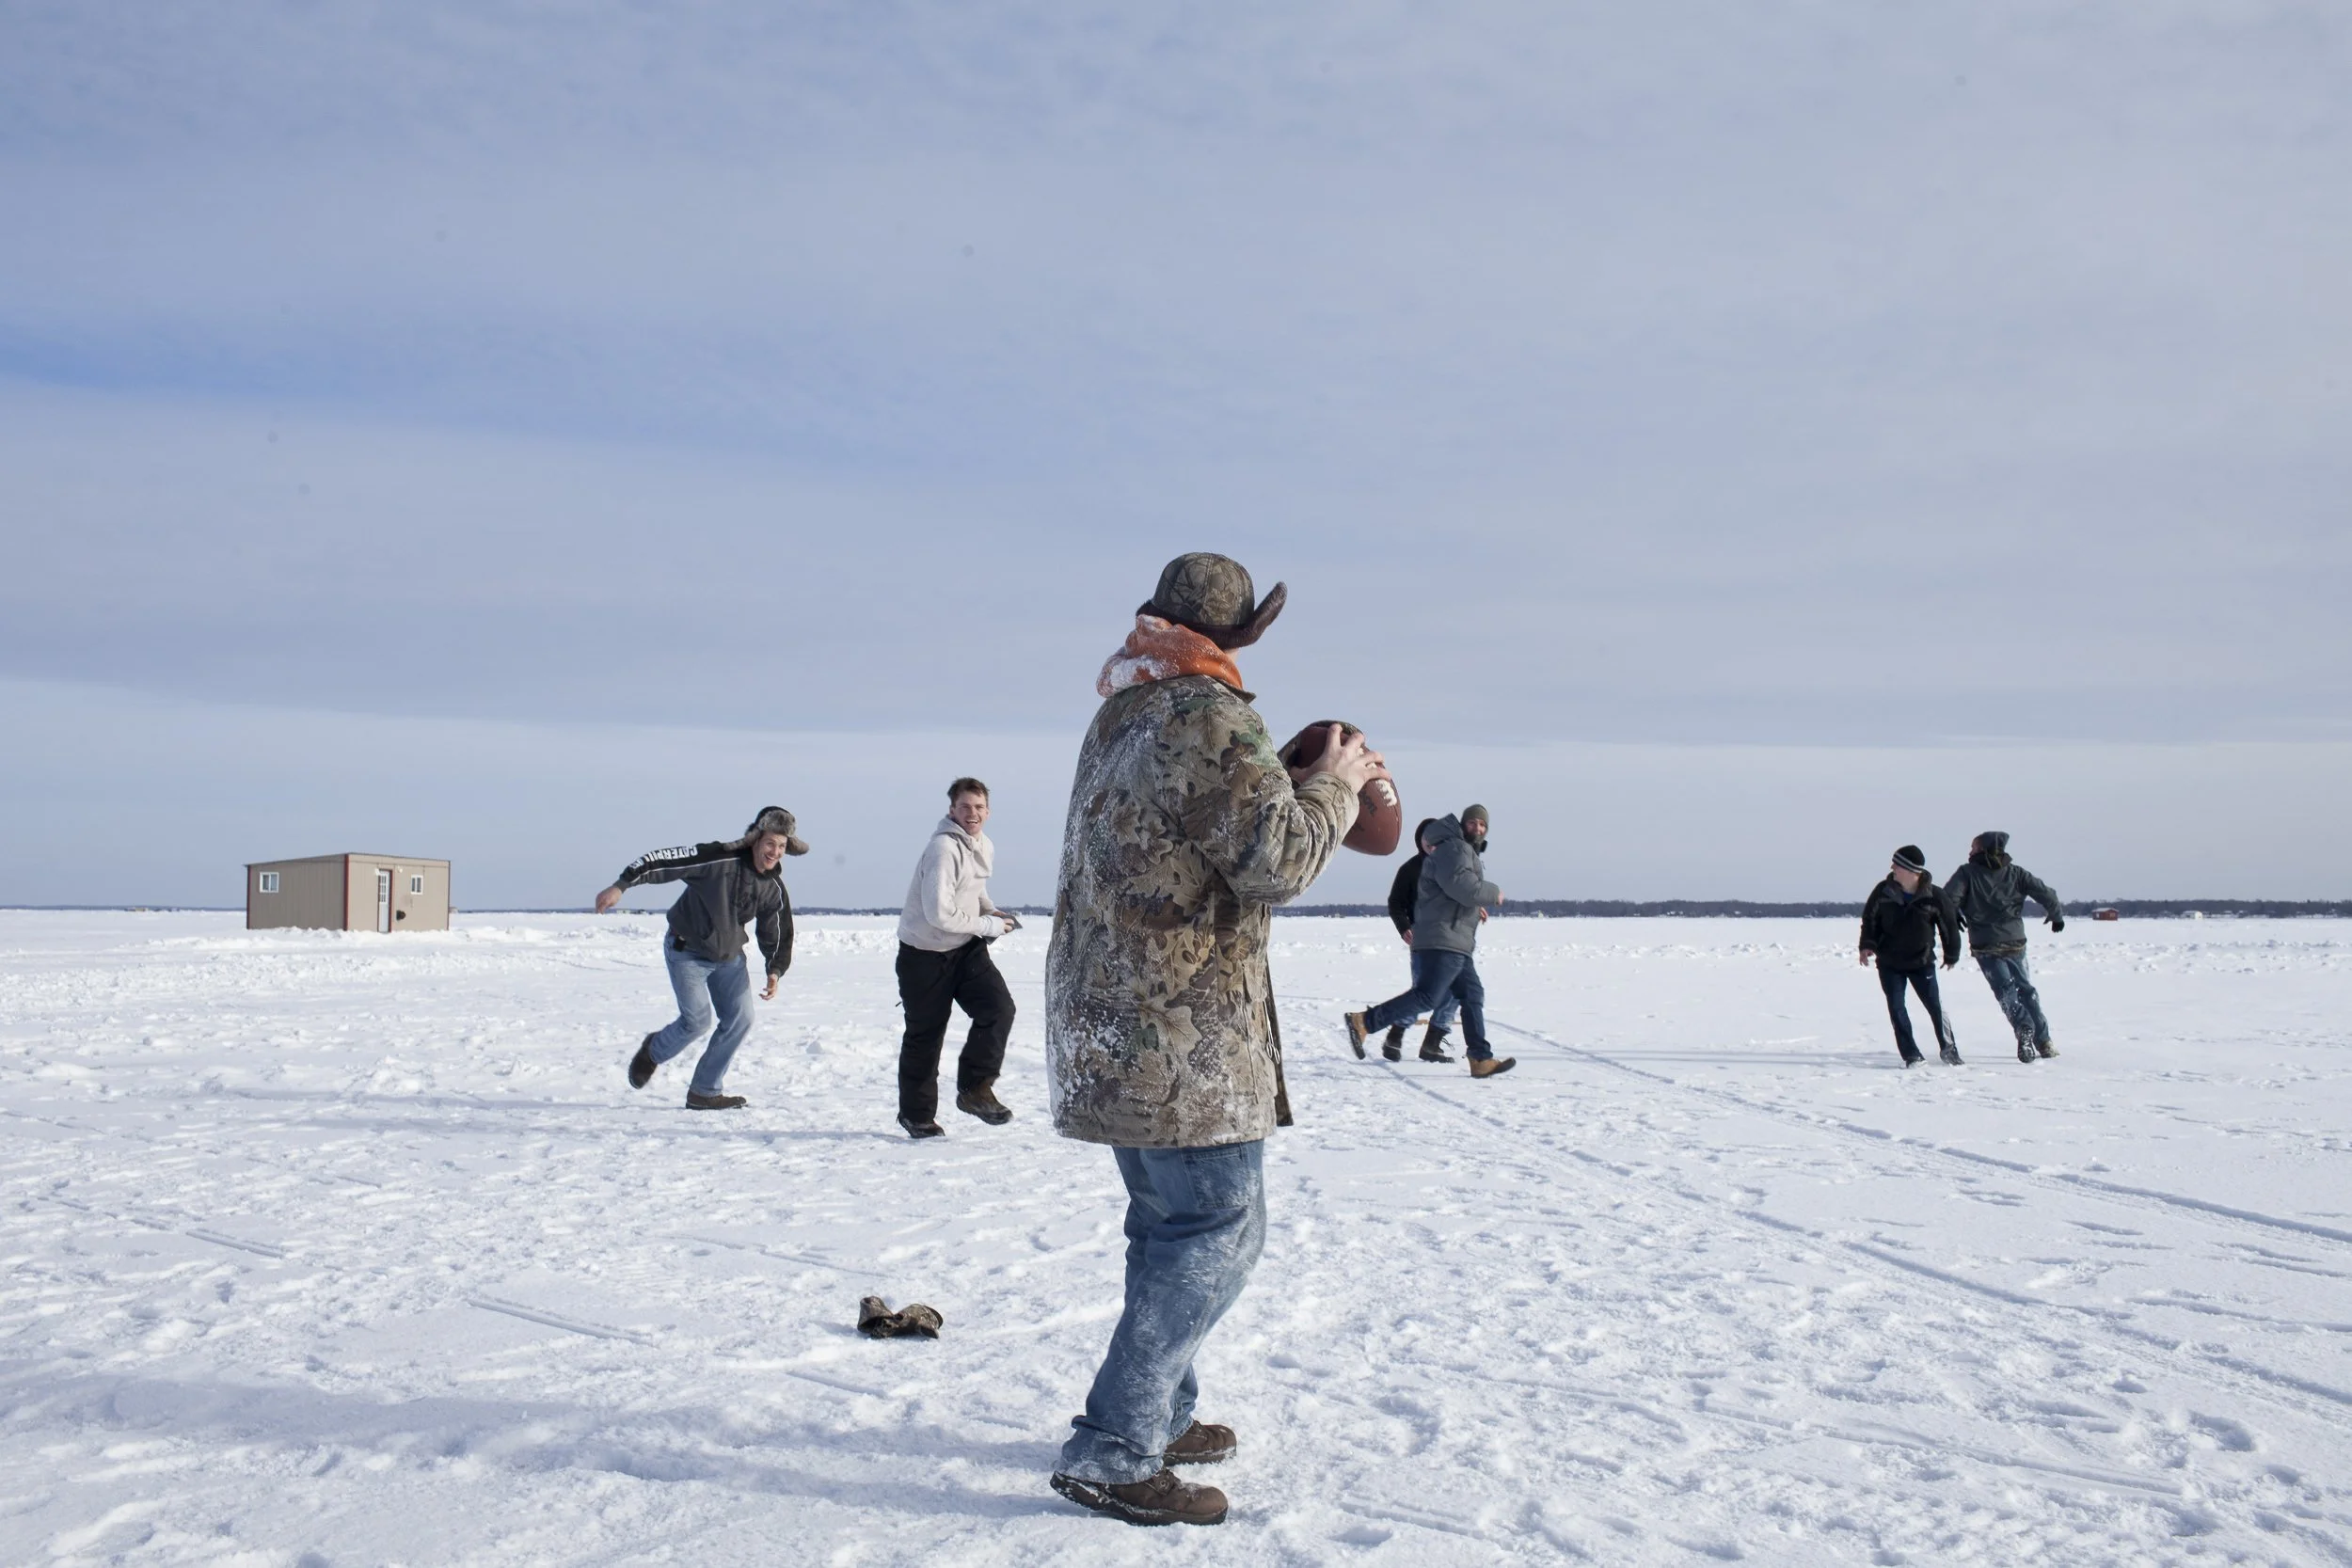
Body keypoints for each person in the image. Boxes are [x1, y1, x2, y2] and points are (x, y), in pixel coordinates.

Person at [1044, 552, 1383, 1528]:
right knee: (1216, 1231)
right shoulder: (1206, 711)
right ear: (1236, 637)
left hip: (1111, 1018)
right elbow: (1273, 859)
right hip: (1180, 1029)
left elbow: (1194, 827)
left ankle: (1158, 1408)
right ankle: (1116, 1444)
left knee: (1170, 1228)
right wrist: (1342, 785)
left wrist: (1295, 772)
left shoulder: (1122, 711)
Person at [595, 807, 803, 1109]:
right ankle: (653, 1051)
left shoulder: (772, 886)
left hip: (728, 956)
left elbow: (778, 930)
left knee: (741, 1018)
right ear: (755, 839)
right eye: (770, 843)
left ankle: (704, 1091)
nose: (775, 852)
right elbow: (664, 859)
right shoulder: (718, 859)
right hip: (687, 951)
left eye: (782, 846)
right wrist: (622, 884)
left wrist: (775, 969)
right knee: (697, 1022)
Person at [1346, 805, 1517, 1078]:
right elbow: (1463, 888)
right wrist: (1492, 893)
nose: (1478, 829)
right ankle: (1364, 1022)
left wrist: (1473, 908)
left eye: (1483, 825)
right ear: (1462, 825)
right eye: (1472, 823)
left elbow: (1451, 893)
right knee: (1428, 996)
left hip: (1454, 938)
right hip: (1442, 938)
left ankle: (1480, 1058)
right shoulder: (1455, 849)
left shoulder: (1457, 850)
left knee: (1472, 994)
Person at [894, 776, 1020, 1138]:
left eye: (979, 807)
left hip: (964, 950)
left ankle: (975, 1090)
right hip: (923, 955)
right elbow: (939, 914)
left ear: (988, 811)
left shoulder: (984, 845)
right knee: (926, 1035)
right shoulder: (943, 850)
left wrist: (992, 912)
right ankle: (916, 1117)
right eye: (965, 807)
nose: (972, 813)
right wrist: (988, 927)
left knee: (999, 1009)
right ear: (952, 810)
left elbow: (975, 890)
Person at [1946, 831, 2064, 1064]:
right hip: (2015, 941)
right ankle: (2045, 1042)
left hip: (1985, 944)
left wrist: (1953, 915)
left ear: (1982, 849)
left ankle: (2023, 1027)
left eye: (1973, 847)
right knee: (2026, 990)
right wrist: (2056, 915)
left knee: (2005, 991)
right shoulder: (2015, 872)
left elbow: (1948, 899)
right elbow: (2046, 893)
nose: (1969, 852)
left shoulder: (1966, 873)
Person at [1859, 844, 1963, 1067]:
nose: (1892, 868)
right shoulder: (1883, 891)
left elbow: (1949, 926)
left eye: (1896, 864)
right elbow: (1869, 920)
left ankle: (1950, 1050)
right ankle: (1911, 1055)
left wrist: (1951, 953)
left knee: (1935, 1006)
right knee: (1897, 1008)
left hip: (1921, 962)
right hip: (1889, 963)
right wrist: (1867, 945)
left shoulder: (1934, 895)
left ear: (1909, 870)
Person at [1369, 817, 1458, 1063]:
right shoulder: (1410, 869)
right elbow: (1395, 903)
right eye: (1427, 837)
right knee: (1424, 993)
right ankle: (1395, 1035)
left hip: (1452, 939)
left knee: (1455, 991)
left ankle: (1433, 1042)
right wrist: (1404, 927)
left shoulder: (1453, 868)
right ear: (1421, 841)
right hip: (1424, 940)